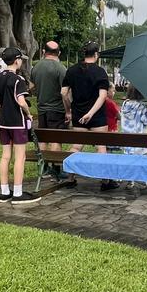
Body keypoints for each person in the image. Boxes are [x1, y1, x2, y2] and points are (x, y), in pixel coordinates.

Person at [61, 41, 117, 190]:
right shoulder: (100, 72)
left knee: (77, 146)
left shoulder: (72, 70)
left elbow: (63, 93)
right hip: (97, 116)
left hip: (78, 115)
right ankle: (105, 181)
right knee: (101, 147)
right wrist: (91, 113)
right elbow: (103, 96)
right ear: (96, 54)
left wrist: (69, 109)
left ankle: (70, 177)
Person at [0, 47, 40, 206]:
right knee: (20, 157)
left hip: (3, 122)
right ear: (16, 60)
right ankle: (18, 193)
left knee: (5, 156)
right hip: (17, 122)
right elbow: (21, 102)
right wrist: (28, 112)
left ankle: (4, 191)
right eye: (21, 59)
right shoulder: (18, 80)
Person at [29, 41, 68, 152]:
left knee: (43, 138)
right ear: (59, 53)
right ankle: (54, 166)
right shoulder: (61, 69)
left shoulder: (36, 67)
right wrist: (68, 110)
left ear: (44, 51)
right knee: (55, 139)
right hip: (57, 110)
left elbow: (31, 87)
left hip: (41, 109)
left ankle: (44, 163)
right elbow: (64, 92)